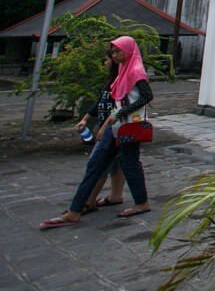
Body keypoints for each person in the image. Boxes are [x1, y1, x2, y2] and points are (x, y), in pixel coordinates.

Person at [39, 35, 154, 228]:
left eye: (117, 51)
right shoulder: (122, 73)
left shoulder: (135, 72)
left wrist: (119, 114)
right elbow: (110, 100)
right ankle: (75, 210)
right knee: (97, 163)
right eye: (114, 52)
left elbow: (147, 96)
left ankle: (141, 202)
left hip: (127, 126)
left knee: (129, 164)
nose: (115, 56)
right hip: (115, 125)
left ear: (128, 51)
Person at [73, 50, 126, 212]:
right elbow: (100, 103)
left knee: (98, 163)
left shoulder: (121, 81)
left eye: (106, 59)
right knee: (116, 164)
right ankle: (116, 195)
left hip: (114, 127)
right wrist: (85, 118)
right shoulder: (109, 82)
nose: (105, 63)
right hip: (109, 126)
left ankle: (89, 200)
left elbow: (119, 107)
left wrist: (103, 128)